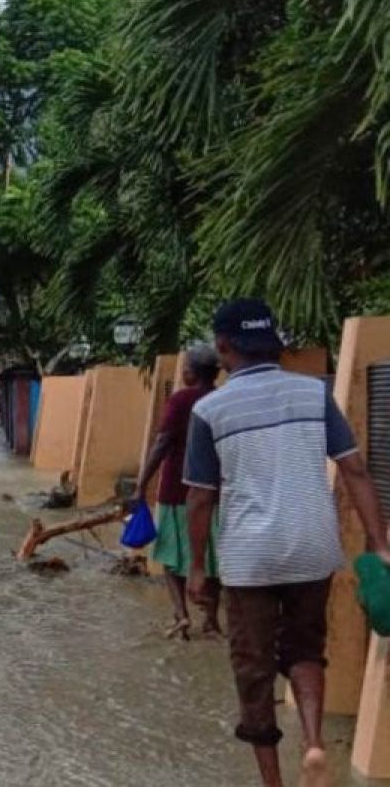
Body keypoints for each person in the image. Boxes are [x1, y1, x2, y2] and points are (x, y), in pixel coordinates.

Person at [185, 299, 390, 787]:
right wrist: (380, 542)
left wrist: (197, 567)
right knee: (305, 650)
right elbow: (356, 469)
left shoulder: (209, 409)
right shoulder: (310, 394)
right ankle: (315, 743)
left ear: (223, 347)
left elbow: (198, 500)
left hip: (249, 560)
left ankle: (273, 783)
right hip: (312, 546)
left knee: (253, 669)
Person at [134, 346, 222, 640]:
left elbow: (162, 443)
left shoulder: (181, 400)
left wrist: (141, 484)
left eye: (185, 367)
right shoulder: (222, 399)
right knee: (212, 557)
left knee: (171, 556)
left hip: (176, 489)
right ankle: (211, 619)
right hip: (216, 491)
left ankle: (181, 615)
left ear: (191, 373)